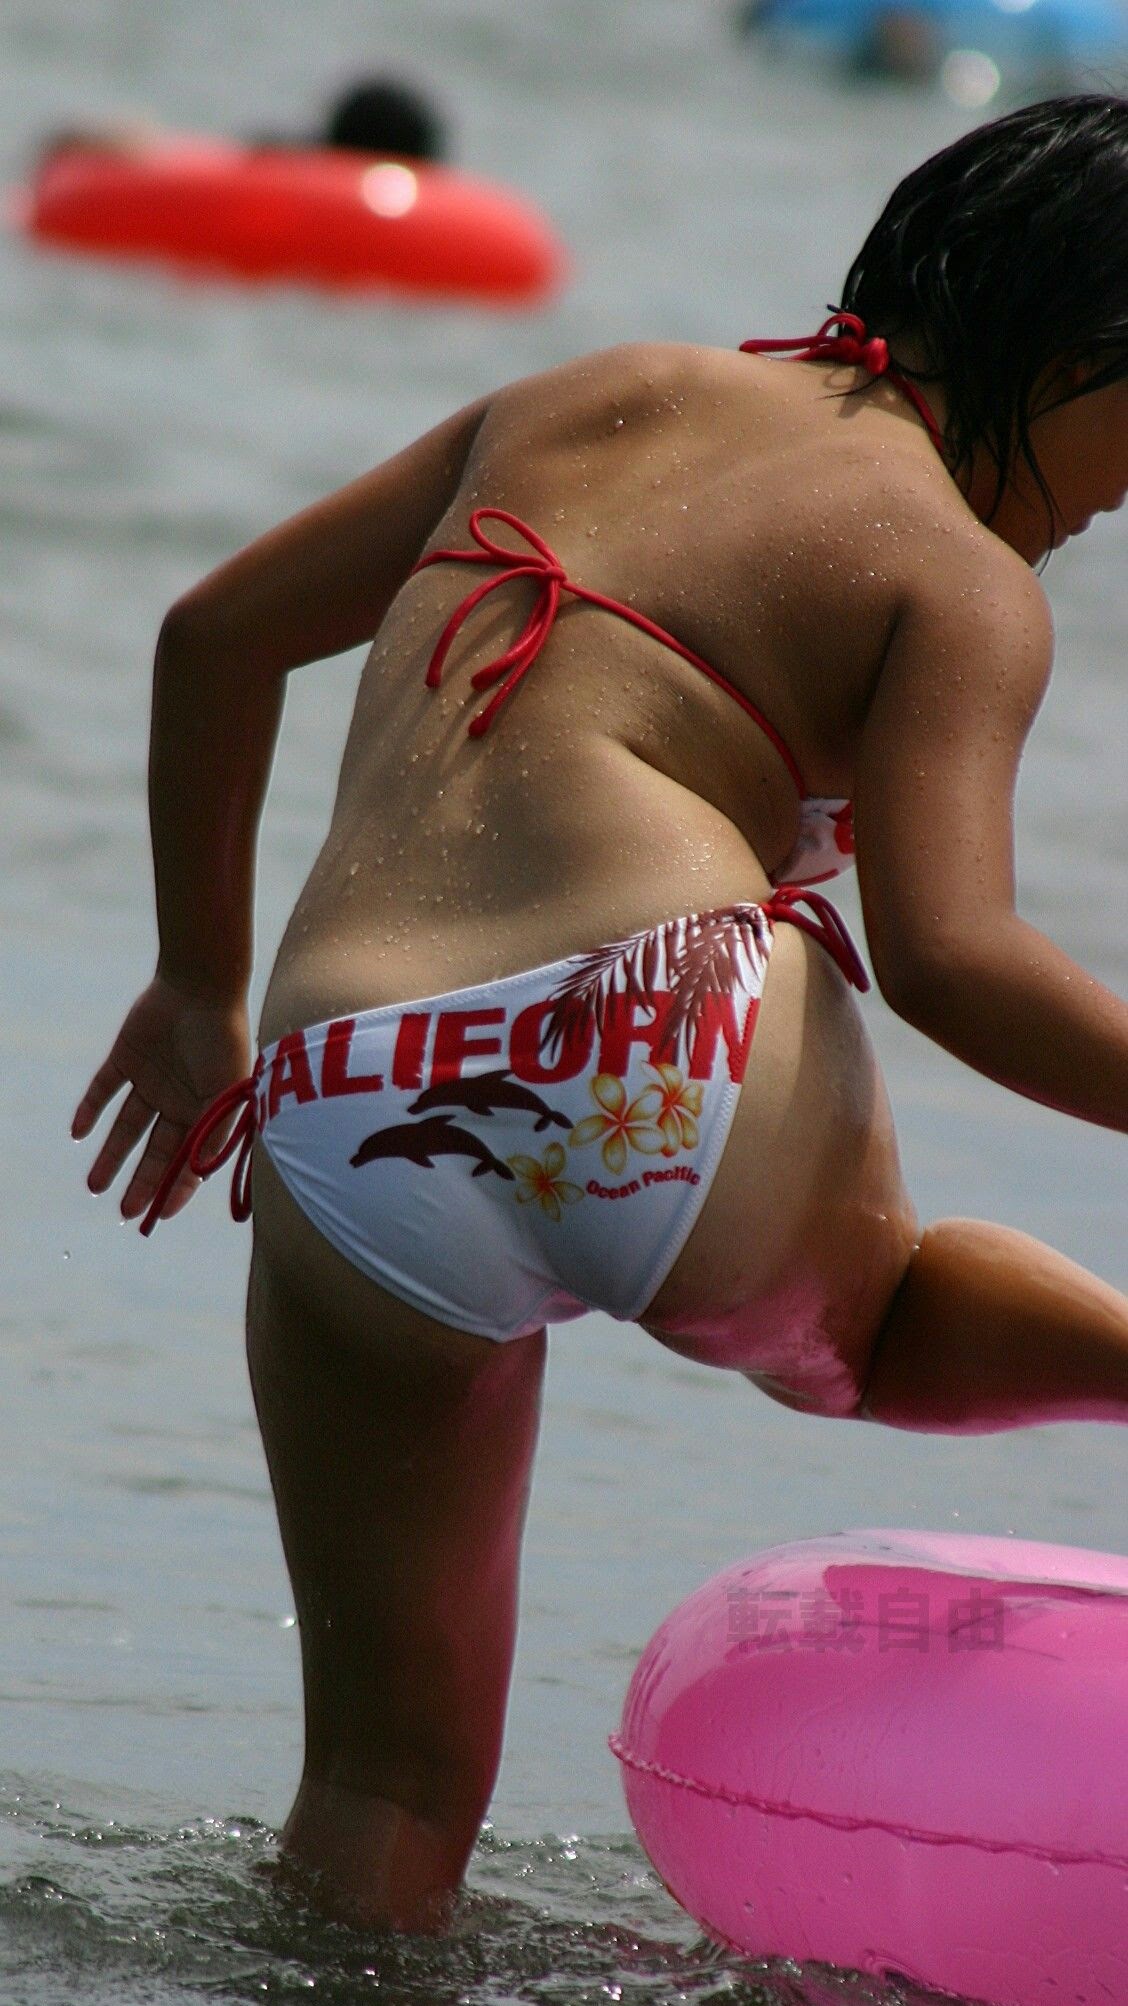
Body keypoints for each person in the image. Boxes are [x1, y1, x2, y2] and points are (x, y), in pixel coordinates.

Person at [73, 94, 1128, 1932]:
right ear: (1072, 352)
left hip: (345, 1094)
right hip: (660, 1027)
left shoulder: (581, 394)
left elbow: (211, 636)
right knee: (872, 1335)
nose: (1118, 503)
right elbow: (954, 956)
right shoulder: (958, 578)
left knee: (383, 1791)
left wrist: (193, 985)